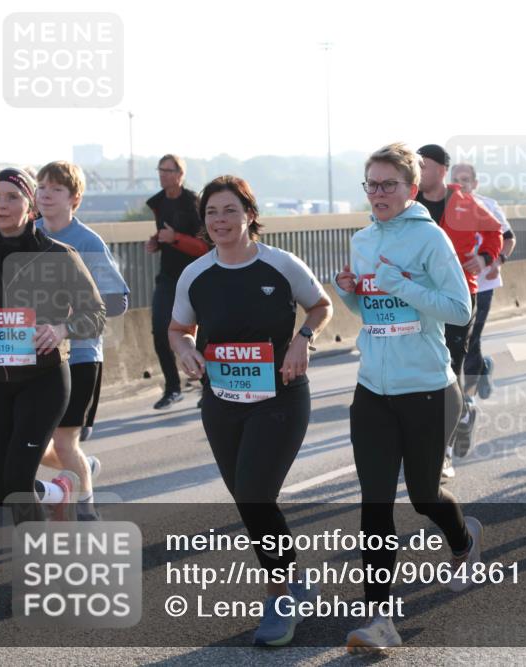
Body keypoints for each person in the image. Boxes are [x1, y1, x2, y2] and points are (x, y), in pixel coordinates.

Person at [168, 175, 332, 647]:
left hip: (280, 396)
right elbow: (179, 329)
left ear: (249, 214)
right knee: (248, 499)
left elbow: (321, 307)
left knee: (257, 494)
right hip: (221, 402)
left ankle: (279, 601)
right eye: (212, 213)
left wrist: (303, 341)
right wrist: (185, 350)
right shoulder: (195, 274)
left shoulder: (279, 264)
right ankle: (296, 583)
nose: (220, 221)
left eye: (229, 210)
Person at [335, 144, 483, 654]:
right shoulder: (360, 240)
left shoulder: (430, 238)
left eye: (388, 185)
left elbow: (460, 309)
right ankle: (380, 619)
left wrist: (403, 284)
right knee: (374, 505)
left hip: (427, 388)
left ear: (411, 189)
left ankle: (463, 542)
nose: (378, 193)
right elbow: (371, 313)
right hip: (372, 389)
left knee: (423, 497)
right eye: (371, 184)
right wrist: (352, 293)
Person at [0, 168, 105, 525]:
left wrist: (62, 328)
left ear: (31, 205)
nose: (2, 205)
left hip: (43, 380)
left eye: (12, 197)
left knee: (16, 481)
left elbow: (95, 313)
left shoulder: (59, 254)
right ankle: (59, 492)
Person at [34, 161, 129, 520]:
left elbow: (117, 302)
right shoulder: (27, 235)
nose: (45, 194)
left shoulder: (87, 241)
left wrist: (66, 321)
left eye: (55, 189)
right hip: (35, 356)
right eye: (41, 187)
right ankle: (82, 467)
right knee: (28, 442)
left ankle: (86, 509)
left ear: (75, 198)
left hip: (79, 356)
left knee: (62, 440)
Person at [415, 144, 502, 471]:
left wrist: (486, 258)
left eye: (423, 166)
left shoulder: (466, 203)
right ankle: (461, 412)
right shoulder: (408, 205)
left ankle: (444, 450)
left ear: (441, 169)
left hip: (460, 296)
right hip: (419, 299)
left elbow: (496, 232)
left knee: (448, 370)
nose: (418, 171)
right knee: (424, 371)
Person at [146, 154, 210, 410]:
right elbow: (165, 235)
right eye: (160, 170)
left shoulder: (194, 202)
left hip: (196, 277)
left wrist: (175, 239)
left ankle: (208, 387)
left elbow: (205, 247)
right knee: (160, 331)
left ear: (180, 174)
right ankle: (173, 388)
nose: (163, 175)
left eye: (168, 170)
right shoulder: (158, 203)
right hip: (168, 277)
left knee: (204, 332)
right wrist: (155, 242)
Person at [451, 162, 517, 405]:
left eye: (466, 179)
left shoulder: (488, 206)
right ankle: (483, 367)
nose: (461, 184)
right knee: (459, 341)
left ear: (475, 183)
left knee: (471, 338)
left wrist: (497, 261)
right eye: (456, 179)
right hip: (453, 285)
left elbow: (509, 239)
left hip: (484, 283)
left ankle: (465, 397)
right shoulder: (444, 208)